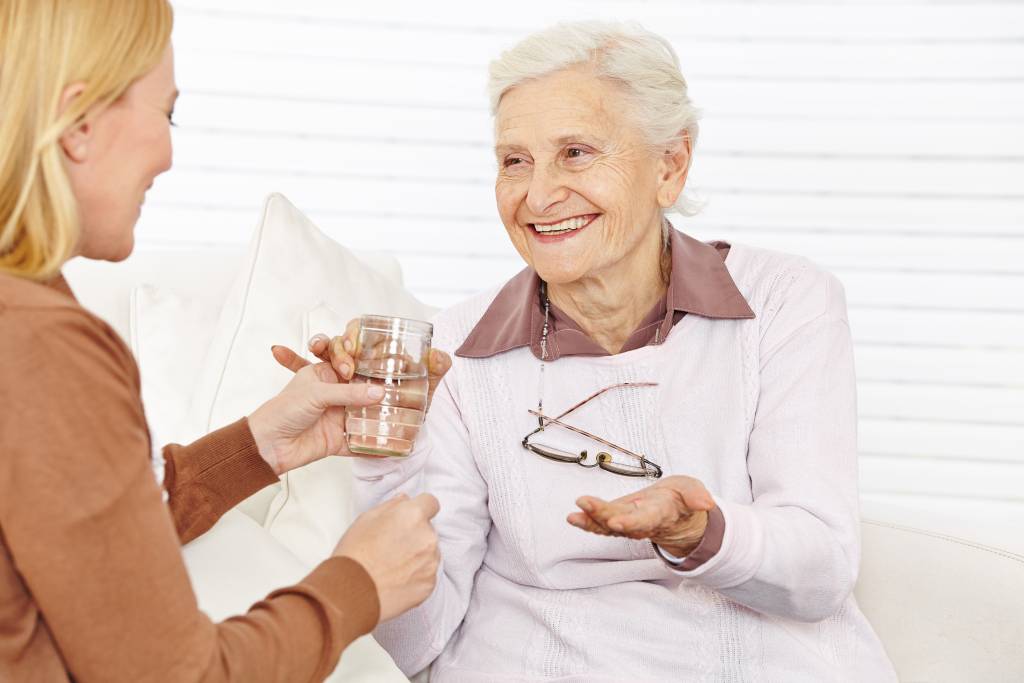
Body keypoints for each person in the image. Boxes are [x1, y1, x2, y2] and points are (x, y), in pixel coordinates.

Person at [301, 21, 898, 681]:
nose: (538, 195)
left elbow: (820, 567)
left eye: (577, 153)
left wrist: (696, 529)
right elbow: (418, 640)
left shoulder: (784, 302)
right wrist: (388, 456)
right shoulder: (454, 354)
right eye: (514, 160)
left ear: (670, 166)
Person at [0, 1, 445, 681]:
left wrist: (258, 445)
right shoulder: (45, 346)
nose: (171, 154)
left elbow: (83, 544)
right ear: (80, 123)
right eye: (166, 114)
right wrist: (359, 580)